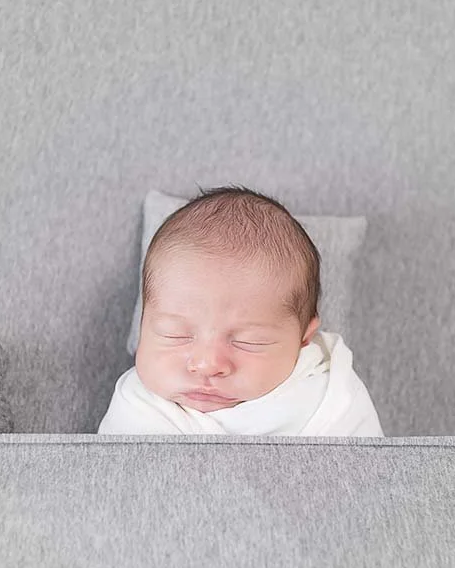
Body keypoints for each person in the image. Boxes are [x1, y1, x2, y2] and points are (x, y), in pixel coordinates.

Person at [98, 185, 383, 436]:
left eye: (249, 341)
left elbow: (370, 481)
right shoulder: (138, 407)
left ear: (304, 337)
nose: (208, 364)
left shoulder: (330, 398)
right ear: (144, 325)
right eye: (175, 335)